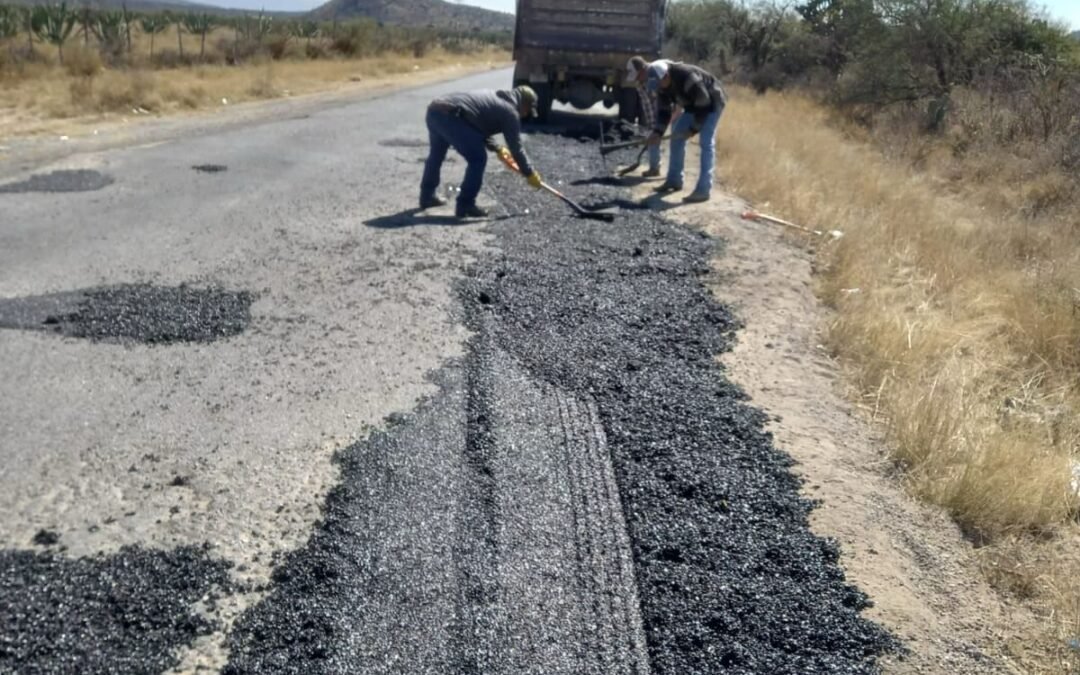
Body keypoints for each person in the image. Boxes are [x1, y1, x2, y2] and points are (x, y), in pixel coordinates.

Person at [420, 86, 544, 218]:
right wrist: (529, 172)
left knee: (436, 155)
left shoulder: (496, 98)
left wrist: (497, 148)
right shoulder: (510, 112)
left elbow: (476, 124)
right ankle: (466, 204)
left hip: (435, 111)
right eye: (528, 110)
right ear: (524, 103)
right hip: (453, 118)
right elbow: (516, 149)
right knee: (478, 159)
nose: (526, 114)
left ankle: (427, 196)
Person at [645, 61, 727, 203]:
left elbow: (704, 102)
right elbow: (664, 111)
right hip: (692, 105)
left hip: (712, 103)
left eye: (659, 84)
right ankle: (674, 180)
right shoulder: (661, 86)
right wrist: (657, 133)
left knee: (706, 143)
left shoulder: (687, 76)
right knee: (676, 139)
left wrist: (693, 129)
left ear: (666, 76)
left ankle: (703, 190)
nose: (659, 88)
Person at [624, 55, 669, 178]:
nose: (636, 79)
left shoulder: (656, 74)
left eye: (637, 75)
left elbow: (662, 102)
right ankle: (655, 168)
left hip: (673, 109)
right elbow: (647, 105)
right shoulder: (640, 84)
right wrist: (652, 126)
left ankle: (674, 177)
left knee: (676, 143)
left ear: (643, 69)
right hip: (660, 113)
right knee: (653, 136)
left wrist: (659, 125)